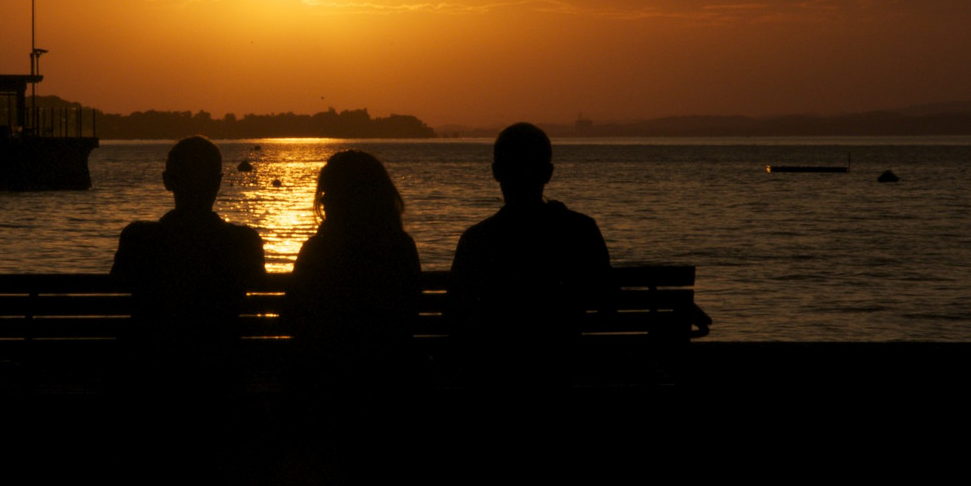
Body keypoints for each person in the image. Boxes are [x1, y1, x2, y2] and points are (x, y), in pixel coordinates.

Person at [451, 122, 610, 373]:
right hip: (564, 364)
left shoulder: (476, 239)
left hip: (494, 369)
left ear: (496, 172)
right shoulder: (581, 230)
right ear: (548, 172)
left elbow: (454, 316)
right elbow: (607, 303)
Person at [110, 135, 265, 384]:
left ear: (167, 182)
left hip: (147, 366)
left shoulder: (138, 237)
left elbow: (117, 285)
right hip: (222, 368)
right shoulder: (244, 241)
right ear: (218, 183)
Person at [286, 149, 422, 383]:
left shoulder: (318, 251)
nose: (324, 199)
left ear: (348, 197)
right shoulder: (401, 247)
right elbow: (409, 313)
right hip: (391, 372)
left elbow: (291, 316)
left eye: (329, 191)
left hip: (323, 375)